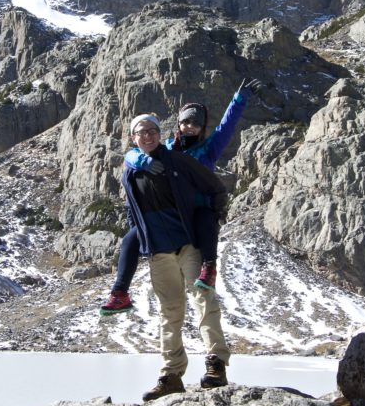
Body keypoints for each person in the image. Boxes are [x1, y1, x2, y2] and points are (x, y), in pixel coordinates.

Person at [99, 79, 259, 314]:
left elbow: (226, 127)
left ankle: (209, 268)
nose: (191, 127)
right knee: (130, 239)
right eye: (186, 121)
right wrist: (144, 160)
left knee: (207, 218)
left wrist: (238, 99)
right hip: (172, 210)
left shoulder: (208, 149)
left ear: (202, 126)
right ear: (178, 124)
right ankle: (120, 292)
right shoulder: (167, 148)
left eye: (196, 123)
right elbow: (133, 152)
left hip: (196, 209)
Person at [120, 113, 232, 401]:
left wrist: (212, 217)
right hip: (159, 253)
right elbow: (134, 214)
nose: (148, 136)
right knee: (170, 313)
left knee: (204, 299)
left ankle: (216, 364)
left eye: (153, 131)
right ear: (134, 138)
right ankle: (171, 375)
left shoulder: (177, 160)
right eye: (142, 132)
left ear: (160, 134)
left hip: (188, 246)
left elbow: (214, 186)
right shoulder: (131, 171)